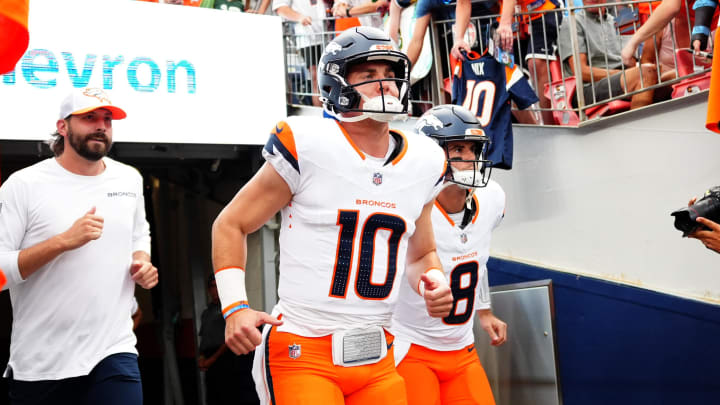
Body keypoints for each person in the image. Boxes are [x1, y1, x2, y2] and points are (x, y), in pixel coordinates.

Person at [211, 26, 453, 405]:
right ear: (337, 83)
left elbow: (421, 254)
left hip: (379, 354)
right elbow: (231, 223)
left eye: (389, 74)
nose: (384, 84)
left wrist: (434, 280)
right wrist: (235, 307)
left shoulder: (425, 160)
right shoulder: (309, 143)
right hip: (303, 351)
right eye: (368, 75)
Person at [0, 87, 158, 404]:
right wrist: (62, 242)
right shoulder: (23, 185)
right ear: (63, 126)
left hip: (113, 350)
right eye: (89, 118)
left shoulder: (129, 179)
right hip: (41, 364)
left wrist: (142, 261)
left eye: (107, 118)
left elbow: (139, 234)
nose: (101, 125)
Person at [391, 105, 507, 405]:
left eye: (474, 149)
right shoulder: (408, 205)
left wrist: (483, 310)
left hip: (462, 348)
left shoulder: (493, 197)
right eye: (458, 148)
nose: (470, 159)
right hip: (411, 346)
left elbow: (475, 258)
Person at [453, 0, 562, 125]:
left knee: (536, 62)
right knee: (503, 73)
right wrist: (459, 39)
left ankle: (550, 127)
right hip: (511, 16)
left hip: (541, 9)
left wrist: (505, 23)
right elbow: (462, 2)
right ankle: (533, 128)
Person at [557, 0, 658, 110]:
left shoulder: (619, 21)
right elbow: (581, 72)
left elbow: (631, 64)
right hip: (587, 89)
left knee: (668, 76)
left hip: (621, 80)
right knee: (645, 74)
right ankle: (639, 124)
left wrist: (629, 73)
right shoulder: (572, 23)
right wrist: (623, 74)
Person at [198, 275, 259, 405]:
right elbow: (204, 338)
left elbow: (230, 337)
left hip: (227, 358)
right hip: (210, 360)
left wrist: (212, 359)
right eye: (212, 287)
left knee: (231, 395)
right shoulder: (206, 313)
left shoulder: (230, 310)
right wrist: (202, 357)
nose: (215, 291)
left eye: (217, 287)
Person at [273, 0, 332, 106]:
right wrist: (299, 17)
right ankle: (321, 115)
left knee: (334, 77)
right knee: (317, 78)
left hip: (331, 34)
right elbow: (280, 8)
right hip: (309, 36)